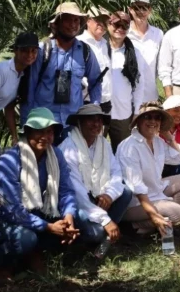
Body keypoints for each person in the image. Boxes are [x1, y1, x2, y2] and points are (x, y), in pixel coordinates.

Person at [0, 108, 91, 281]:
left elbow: (65, 190)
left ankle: (34, 253)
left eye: (49, 132)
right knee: (26, 239)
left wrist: (68, 216)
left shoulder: (55, 155)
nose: (45, 137)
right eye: (39, 131)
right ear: (27, 133)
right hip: (1, 218)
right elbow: (13, 211)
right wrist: (49, 227)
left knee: (80, 217)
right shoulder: (8, 162)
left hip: (35, 212)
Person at [57, 104, 133, 249]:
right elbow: (76, 192)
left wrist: (109, 195)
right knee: (96, 233)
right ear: (79, 122)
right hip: (77, 201)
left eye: (99, 120)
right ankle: (97, 236)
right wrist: (105, 220)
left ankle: (105, 233)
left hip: (98, 196)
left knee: (126, 191)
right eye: (90, 120)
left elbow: (116, 172)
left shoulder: (103, 143)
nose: (96, 124)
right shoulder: (69, 149)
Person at [116, 102, 180, 235]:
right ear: (139, 121)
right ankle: (132, 227)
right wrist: (153, 214)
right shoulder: (129, 147)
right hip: (135, 203)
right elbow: (136, 187)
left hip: (155, 192)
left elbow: (178, 160)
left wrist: (168, 136)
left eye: (157, 118)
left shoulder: (158, 141)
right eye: (148, 117)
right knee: (177, 212)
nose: (153, 121)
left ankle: (160, 225)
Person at [20, 2, 103, 126]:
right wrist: (26, 123)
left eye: (76, 20)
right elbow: (29, 88)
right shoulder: (42, 51)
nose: (73, 25)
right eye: (67, 20)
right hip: (44, 124)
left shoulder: (85, 52)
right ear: (57, 23)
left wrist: (94, 111)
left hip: (73, 123)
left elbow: (96, 81)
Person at [0, 32, 38, 162]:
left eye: (33, 51)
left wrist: (14, 136)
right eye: (25, 50)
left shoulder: (23, 75)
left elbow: (9, 108)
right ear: (16, 50)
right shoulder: (2, 70)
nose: (30, 55)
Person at [102, 11, 148, 149]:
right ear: (108, 25)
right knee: (96, 151)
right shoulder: (99, 48)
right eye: (117, 24)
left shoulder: (135, 53)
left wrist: (136, 111)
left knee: (123, 152)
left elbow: (139, 84)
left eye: (125, 26)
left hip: (123, 112)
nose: (120, 29)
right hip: (100, 111)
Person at [127, 0, 164, 102]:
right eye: (137, 7)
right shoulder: (123, 33)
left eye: (144, 7)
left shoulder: (158, 34)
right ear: (130, 9)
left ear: (149, 10)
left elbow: (162, 66)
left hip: (150, 97)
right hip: (127, 98)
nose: (141, 11)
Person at [78, 7, 112, 111]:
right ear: (88, 21)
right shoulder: (78, 43)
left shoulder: (106, 44)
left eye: (105, 21)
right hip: (86, 101)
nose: (102, 24)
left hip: (106, 102)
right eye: (98, 20)